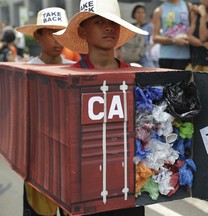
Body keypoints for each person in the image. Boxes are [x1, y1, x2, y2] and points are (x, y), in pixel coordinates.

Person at [53, 0, 148, 215]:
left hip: (127, 190)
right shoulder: (66, 80)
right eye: (98, 22)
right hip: (82, 192)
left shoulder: (137, 78)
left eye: (113, 22)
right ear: (82, 30)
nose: (108, 27)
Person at [16, 7, 73, 216]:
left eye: (61, 33)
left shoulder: (75, 70)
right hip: (38, 161)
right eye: (51, 33)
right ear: (38, 36)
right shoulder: (25, 72)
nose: (58, 40)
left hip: (68, 159)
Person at [152, 0, 192, 70]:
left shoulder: (188, 6)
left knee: (183, 81)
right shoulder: (159, 10)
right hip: (166, 56)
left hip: (184, 56)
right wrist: (174, 41)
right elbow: (155, 37)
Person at [187, 0, 208, 72]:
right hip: (195, 61)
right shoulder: (196, 14)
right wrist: (204, 44)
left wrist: (203, 16)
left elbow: (203, 37)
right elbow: (189, 37)